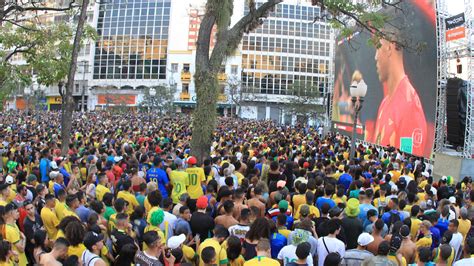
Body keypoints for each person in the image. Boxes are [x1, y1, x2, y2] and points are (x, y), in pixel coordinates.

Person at [372, 30, 428, 156]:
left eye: (377, 48)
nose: (375, 57)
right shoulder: (385, 102)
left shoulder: (410, 105)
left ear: (389, 48)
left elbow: (407, 160)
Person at [22, 200, 43, 265]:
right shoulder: (26, 223)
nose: (31, 211)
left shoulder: (37, 216)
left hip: (41, 244)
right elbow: (32, 241)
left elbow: (43, 227)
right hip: (34, 248)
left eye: (31, 208)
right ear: (25, 210)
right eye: (28, 209)